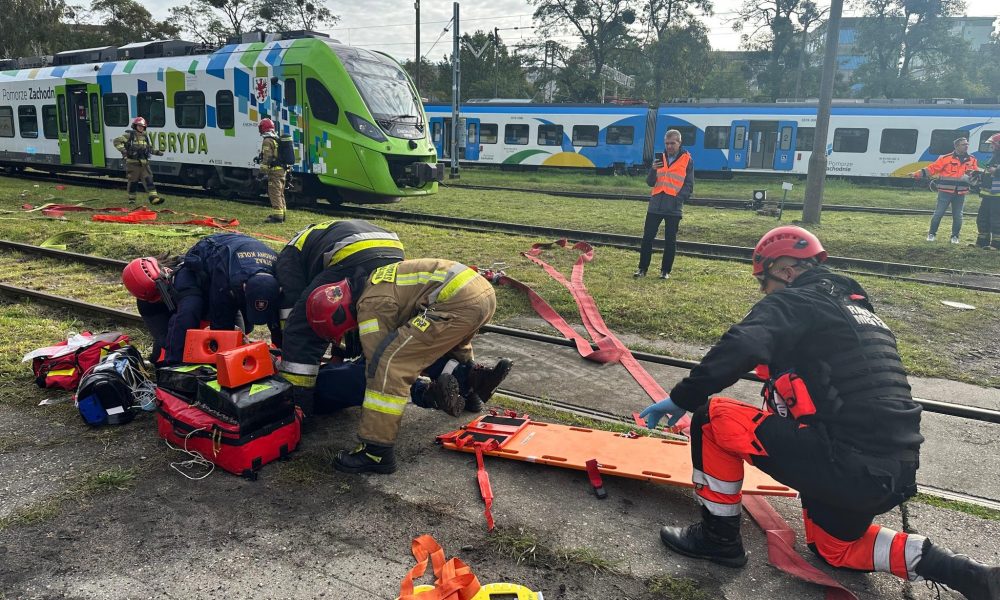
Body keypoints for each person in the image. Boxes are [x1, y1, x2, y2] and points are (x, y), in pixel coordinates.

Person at [640, 225, 999, 600]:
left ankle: (717, 540)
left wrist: (683, 398)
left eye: (764, 283)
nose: (764, 292)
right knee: (836, 549)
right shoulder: (860, 312)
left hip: (844, 460)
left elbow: (743, 342)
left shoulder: (797, 301)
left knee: (711, 417)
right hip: (893, 471)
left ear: (785, 270)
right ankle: (966, 573)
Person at [305, 259, 501, 474]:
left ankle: (376, 452)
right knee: (441, 343)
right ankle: (471, 387)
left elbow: (377, 361)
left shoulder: (369, 305)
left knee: (390, 364)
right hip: (480, 292)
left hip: (455, 301)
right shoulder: (373, 284)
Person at [122, 233, 281, 365]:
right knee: (164, 353)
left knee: (232, 343)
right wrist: (174, 365)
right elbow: (171, 331)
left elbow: (222, 322)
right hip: (189, 317)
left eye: (163, 293)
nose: (163, 298)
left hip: (214, 301)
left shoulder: (194, 278)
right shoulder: (148, 301)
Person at [635, 129, 694, 280]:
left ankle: (665, 271)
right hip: (655, 205)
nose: (669, 146)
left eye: (672, 143)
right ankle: (642, 269)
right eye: (667, 143)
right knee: (647, 238)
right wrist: (653, 170)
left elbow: (689, 185)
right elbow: (650, 182)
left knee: (670, 241)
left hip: (673, 207)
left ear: (679, 143)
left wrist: (678, 198)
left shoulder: (687, 160)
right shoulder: (659, 158)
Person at [912, 137, 979, 244]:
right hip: (945, 191)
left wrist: (975, 177)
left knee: (958, 216)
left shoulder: (972, 159)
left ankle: (955, 236)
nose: (966, 146)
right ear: (956, 146)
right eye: (963, 144)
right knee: (938, 213)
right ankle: (931, 234)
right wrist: (917, 174)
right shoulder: (945, 158)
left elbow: (975, 173)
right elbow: (932, 168)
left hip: (961, 192)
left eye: (967, 144)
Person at [113, 117, 165, 205]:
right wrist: (123, 150)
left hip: (144, 163)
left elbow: (148, 149)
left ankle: (154, 198)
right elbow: (116, 141)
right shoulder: (129, 135)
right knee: (133, 182)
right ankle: (132, 200)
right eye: (139, 126)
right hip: (132, 164)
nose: (141, 128)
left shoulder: (145, 137)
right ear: (135, 126)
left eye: (143, 126)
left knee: (149, 180)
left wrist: (158, 152)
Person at [973, 133, 1000, 250]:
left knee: (996, 219)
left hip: (997, 196)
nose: (991, 146)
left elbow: (995, 171)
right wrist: (978, 174)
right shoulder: (994, 156)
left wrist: (997, 170)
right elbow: (990, 173)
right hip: (988, 195)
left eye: (993, 144)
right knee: (982, 218)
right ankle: (982, 242)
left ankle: (996, 244)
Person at [257, 118, 287, 223]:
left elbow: (267, 158)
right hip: (282, 170)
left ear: (263, 128)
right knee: (280, 193)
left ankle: (277, 217)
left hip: (274, 171)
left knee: (274, 193)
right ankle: (282, 214)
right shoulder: (276, 138)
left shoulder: (267, 140)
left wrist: (261, 173)